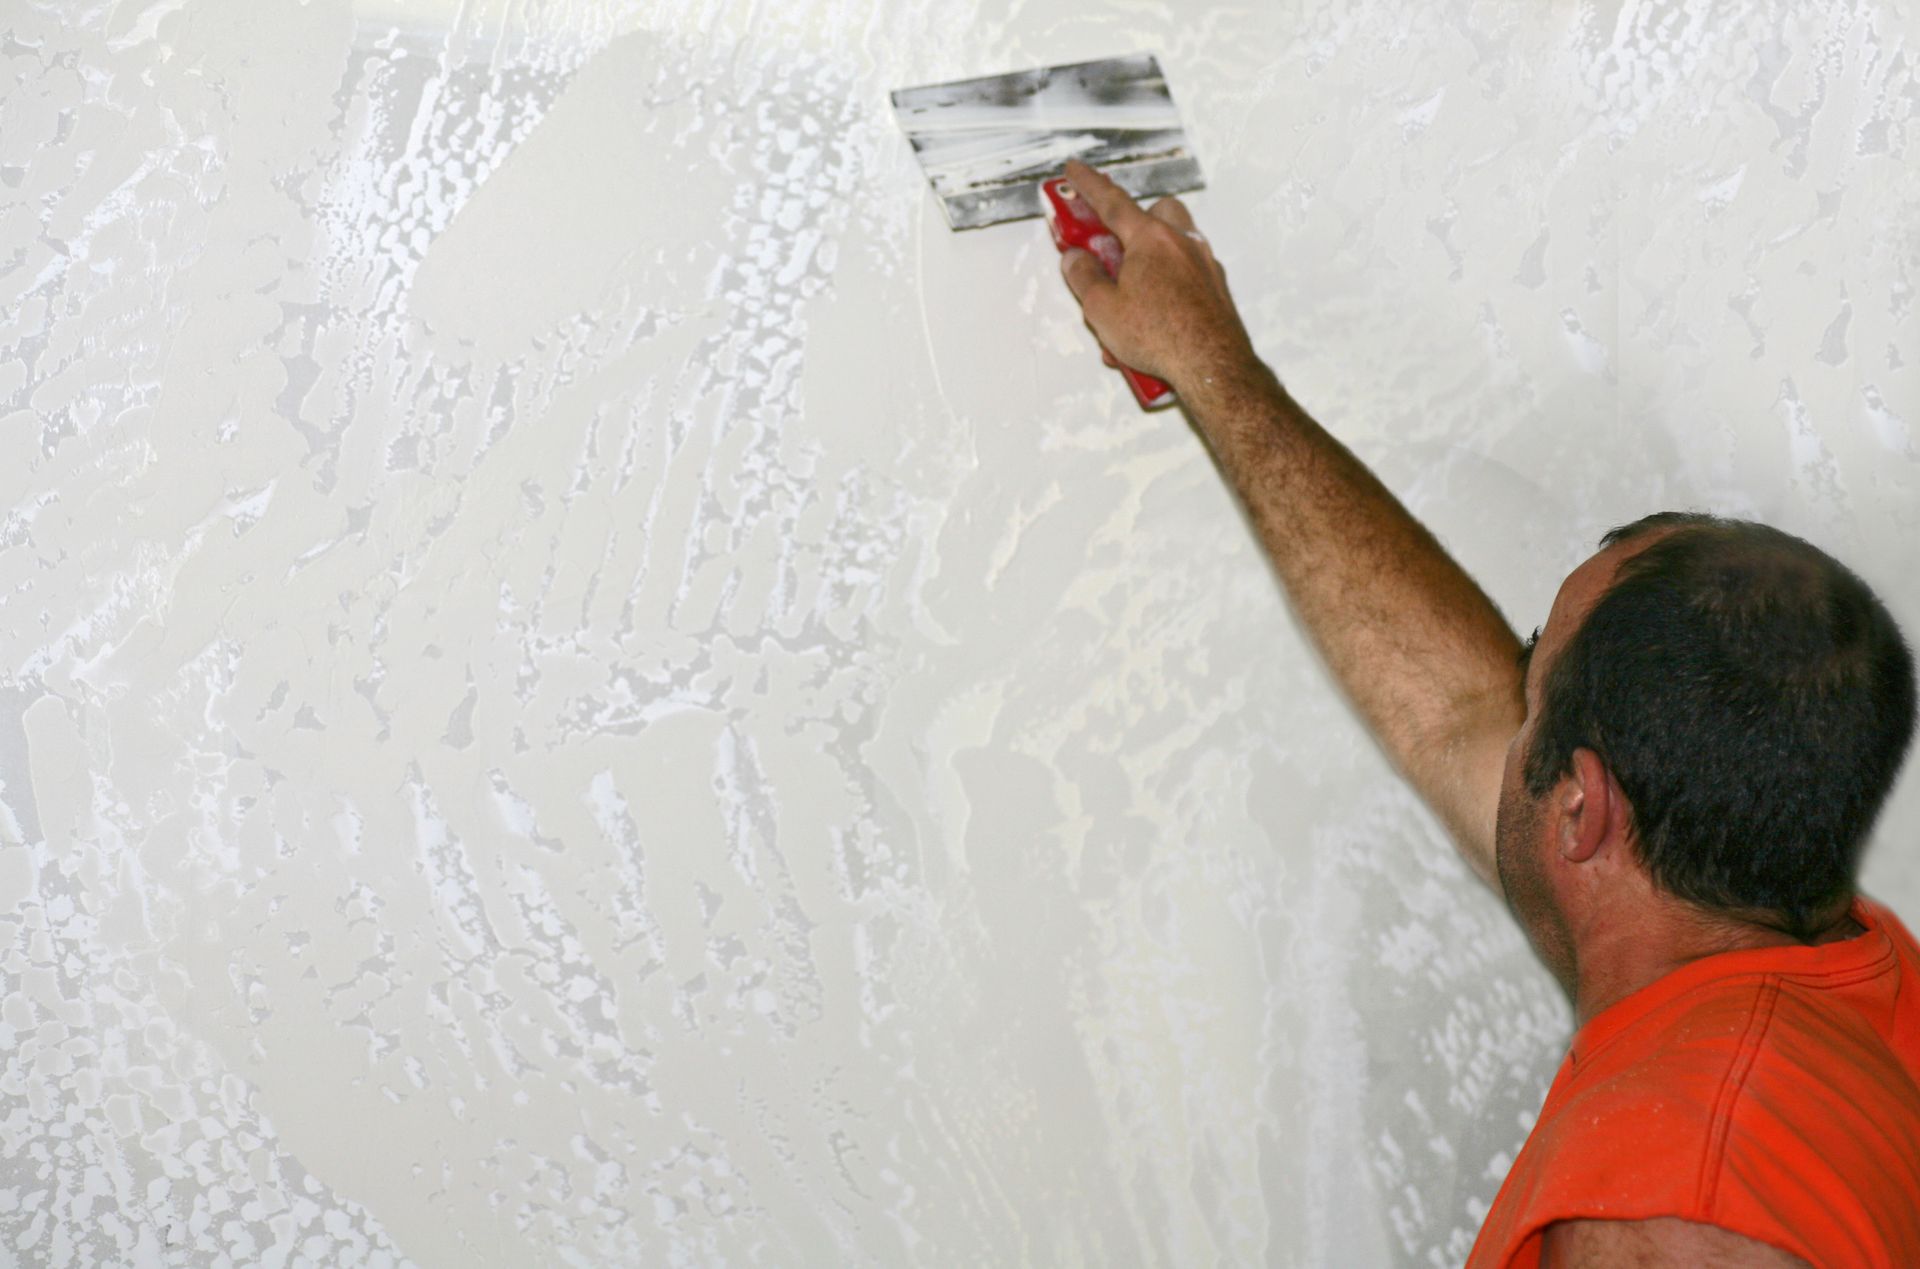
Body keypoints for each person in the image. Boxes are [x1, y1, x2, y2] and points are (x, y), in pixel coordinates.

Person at [1052, 158, 1920, 1267]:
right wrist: (1221, 373)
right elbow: (1452, 705)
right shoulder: (1839, 982)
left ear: (1580, 815)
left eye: (1534, 688)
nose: (1501, 708)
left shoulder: (1669, 1216)